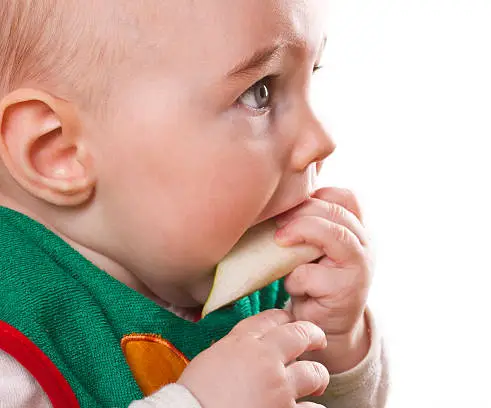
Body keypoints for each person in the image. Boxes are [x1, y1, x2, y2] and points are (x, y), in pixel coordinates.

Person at [0, 1, 389, 407]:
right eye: (260, 92)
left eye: (313, 72)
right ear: (60, 151)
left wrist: (338, 345)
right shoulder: (14, 344)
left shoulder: (269, 282)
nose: (320, 141)